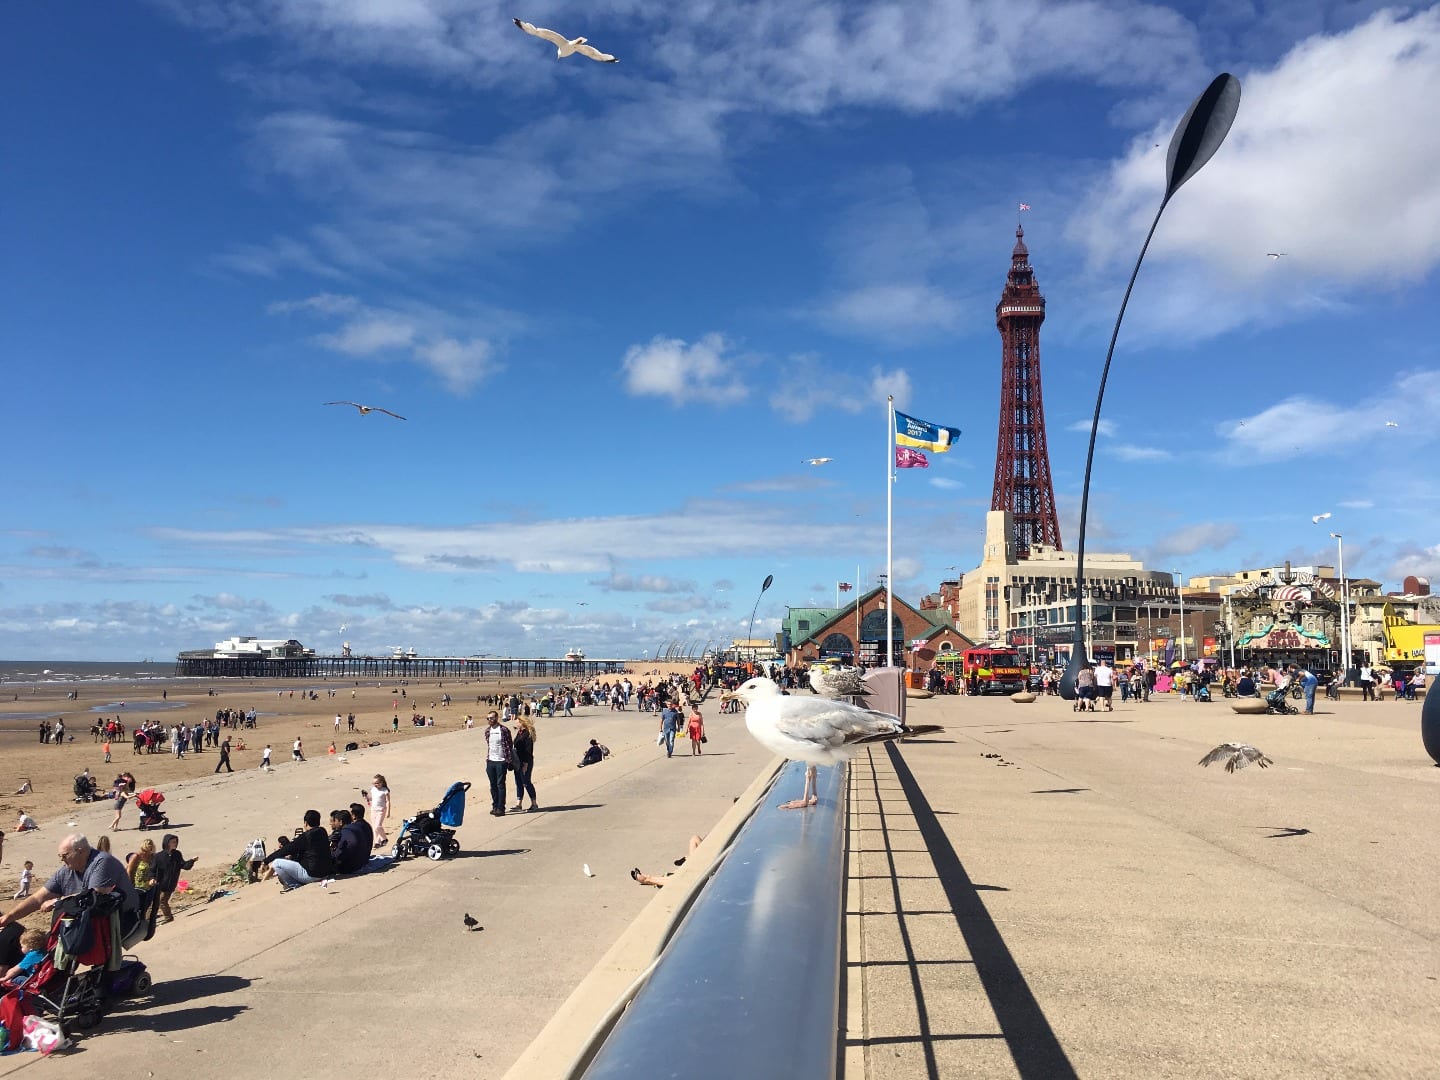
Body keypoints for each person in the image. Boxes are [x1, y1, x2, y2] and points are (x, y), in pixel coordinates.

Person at [0, 834, 141, 950]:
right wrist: (10, 917)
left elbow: (94, 896)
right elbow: (38, 899)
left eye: (65, 855)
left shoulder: (103, 862)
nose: (62, 860)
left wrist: (57, 901)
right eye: (60, 856)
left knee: (62, 944)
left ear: (80, 851)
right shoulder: (67, 870)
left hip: (122, 919)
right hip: (89, 921)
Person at [261, 810, 335, 891]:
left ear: (306, 823)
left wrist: (266, 861)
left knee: (276, 863)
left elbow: (285, 850)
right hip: (325, 873)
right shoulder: (322, 832)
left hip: (312, 875)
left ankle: (294, 885)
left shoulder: (306, 836)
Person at [151, 833, 197, 923]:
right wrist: (152, 878)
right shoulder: (158, 856)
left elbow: (184, 866)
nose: (175, 844)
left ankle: (168, 918)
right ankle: (148, 920)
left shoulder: (177, 854)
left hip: (170, 884)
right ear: (167, 843)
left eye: (176, 842)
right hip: (159, 883)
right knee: (153, 902)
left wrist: (192, 861)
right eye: (173, 842)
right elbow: (152, 869)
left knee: (162, 901)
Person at [484, 712, 515, 816]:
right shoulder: (488, 731)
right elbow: (489, 744)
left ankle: (501, 808)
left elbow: (509, 745)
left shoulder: (504, 730)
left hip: (501, 761)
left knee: (500, 784)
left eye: (491, 718)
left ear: (496, 718)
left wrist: (508, 760)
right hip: (490, 761)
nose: (489, 720)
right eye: (488, 718)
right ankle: (495, 805)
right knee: (493, 785)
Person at [511, 716, 538, 813]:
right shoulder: (519, 733)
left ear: (522, 723)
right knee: (518, 782)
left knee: (526, 781)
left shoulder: (527, 734)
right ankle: (519, 804)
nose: (516, 723)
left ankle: (534, 803)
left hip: (525, 761)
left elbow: (528, 750)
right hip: (517, 760)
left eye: (517, 722)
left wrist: (526, 764)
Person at [330, 809, 370, 875]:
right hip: (362, 862)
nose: (334, 823)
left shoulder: (345, 832)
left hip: (351, 868)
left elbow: (339, 853)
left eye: (335, 821)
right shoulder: (355, 827)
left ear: (341, 822)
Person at [366, 775, 392, 847]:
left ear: (382, 782)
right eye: (374, 783)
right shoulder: (373, 789)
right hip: (373, 810)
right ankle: (377, 842)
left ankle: (384, 839)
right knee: (374, 827)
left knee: (378, 826)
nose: (375, 785)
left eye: (377, 783)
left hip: (381, 810)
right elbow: (372, 798)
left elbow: (388, 801)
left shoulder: (385, 790)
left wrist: (388, 812)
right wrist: (366, 796)